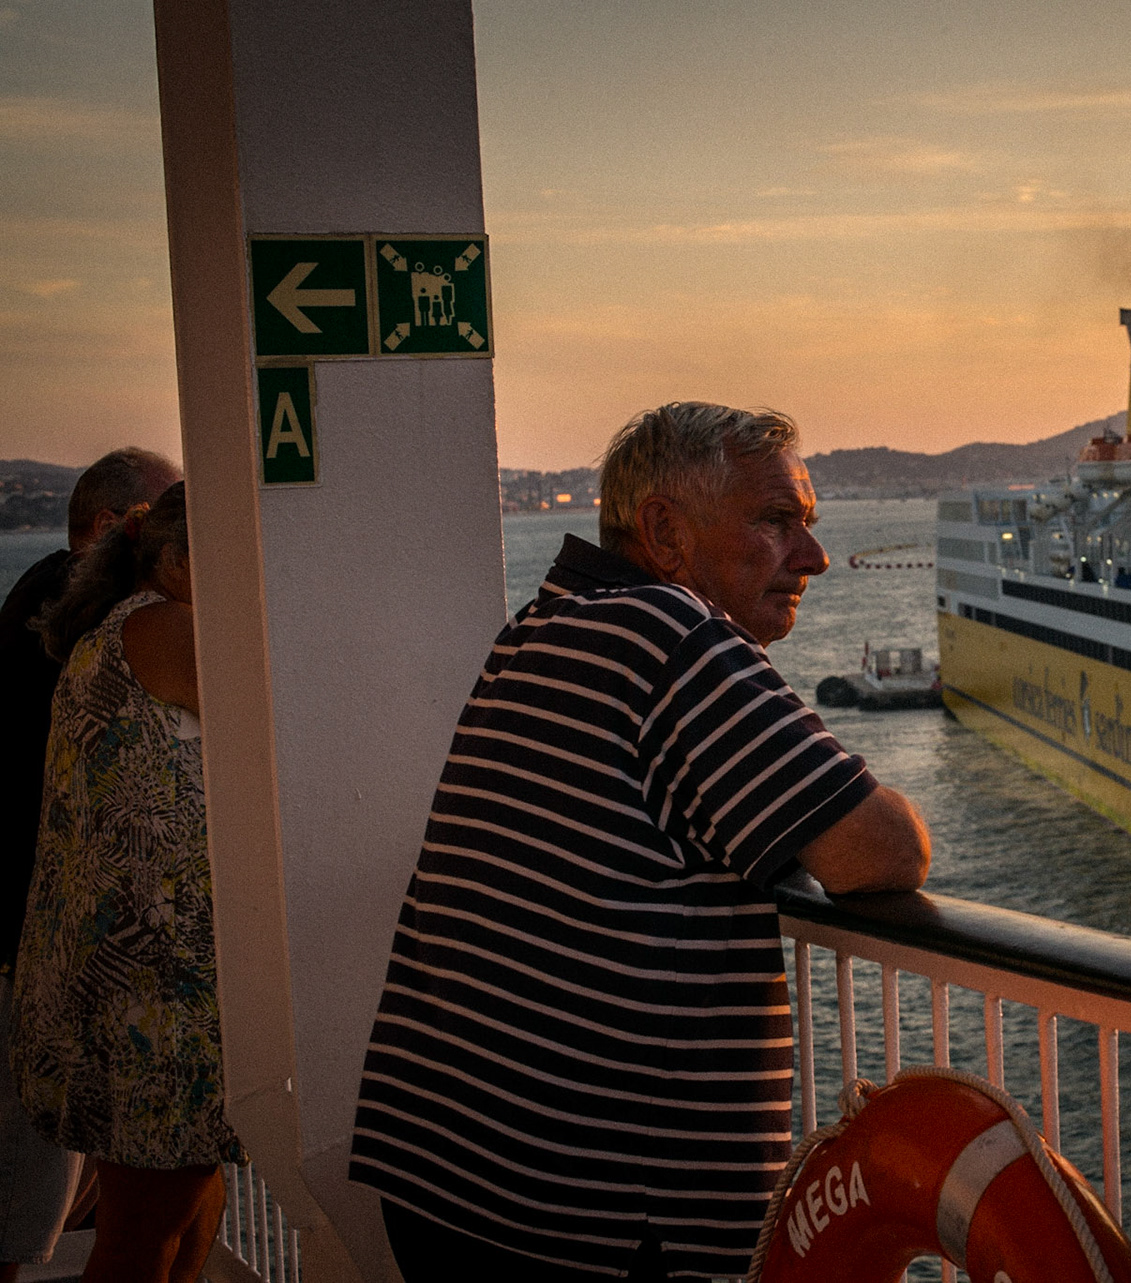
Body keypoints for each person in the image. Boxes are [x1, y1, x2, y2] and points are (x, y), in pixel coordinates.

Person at [350, 402, 930, 1280]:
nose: (809, 555)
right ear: (664, 531)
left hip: (446, 1176)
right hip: (584, 1220)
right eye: (777, 521)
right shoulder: (671, 636)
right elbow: (882, 851)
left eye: (807, 525)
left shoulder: (536, 632)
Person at [13, 481, 245, 1283]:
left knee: (178, 1206)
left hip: (109, 987)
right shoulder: (170, 629)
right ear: (179, 559)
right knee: (141, 1236)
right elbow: (291, 722)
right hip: (150, 1009)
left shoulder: (113, 630)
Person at [0, 447, 179, 1282]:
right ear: (112, 530)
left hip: (58, 962)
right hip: (66, 970)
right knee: (29, 1226)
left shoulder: (50, 608)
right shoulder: (92, 625)